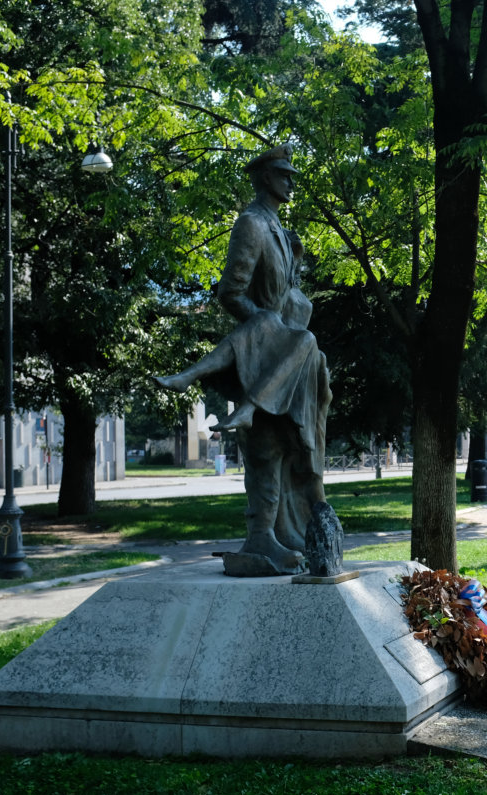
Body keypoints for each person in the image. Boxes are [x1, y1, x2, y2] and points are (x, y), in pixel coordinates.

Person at [155, 144, 332, 574]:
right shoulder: (251, 224)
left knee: (287, 447)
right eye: (283, 174)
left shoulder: (280, 230)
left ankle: (280, 533)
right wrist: (268, 330)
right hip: (266, 355)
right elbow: (230, 294)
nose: (291, 181)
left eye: (291, 173)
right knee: (266, 448)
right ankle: (261, 538)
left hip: (289, 361)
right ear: (264, 178)